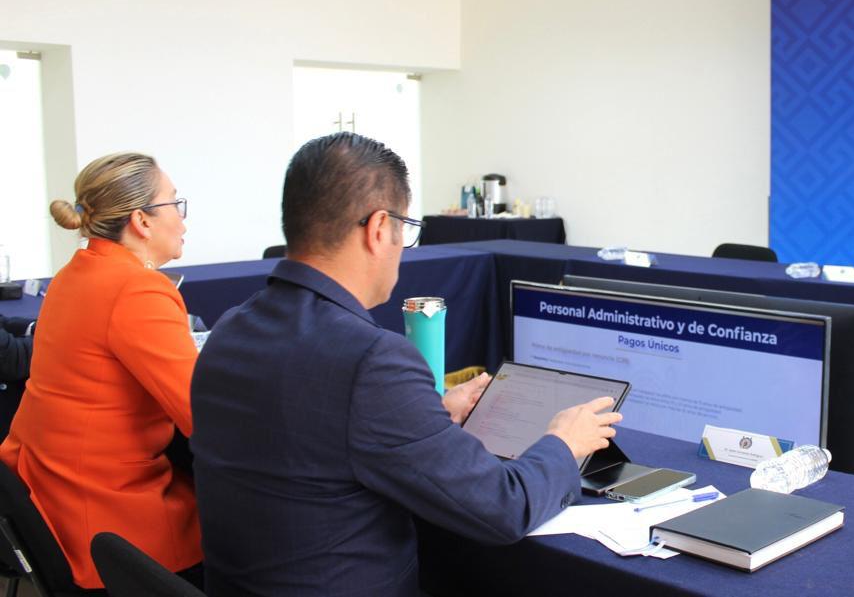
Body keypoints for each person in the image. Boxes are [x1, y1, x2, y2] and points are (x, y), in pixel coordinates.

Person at [191, 132, 622, 597]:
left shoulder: (230, 329)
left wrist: (427, 412)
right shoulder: (371, 360)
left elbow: (308, 432)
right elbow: (503, 508)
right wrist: (564, 443)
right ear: (380, 228)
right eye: (405, 229)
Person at [0, 152, 201, 589]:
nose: (183, 219)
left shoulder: (74, 274)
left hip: (49, 492)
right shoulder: (138, 289)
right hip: (106, 516)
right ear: (141, 221)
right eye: (175, 203)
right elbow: (202, 416)